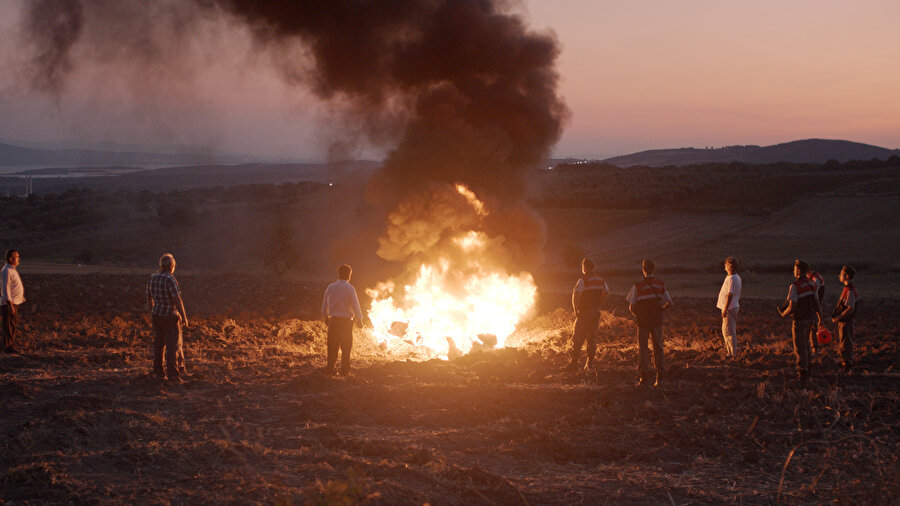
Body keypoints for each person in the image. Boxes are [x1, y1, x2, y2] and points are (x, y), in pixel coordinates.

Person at [626, 259, 672, 387]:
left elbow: (631, 307)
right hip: (657, 320)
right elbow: (670, 303)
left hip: (643, 322)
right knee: (658, 348)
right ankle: (660, 378)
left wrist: (639, 316)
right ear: (654, 269)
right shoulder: (660, 285)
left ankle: (644, 379)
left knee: (643, 349)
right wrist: (661, 310)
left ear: (643, 270)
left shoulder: (637, 286)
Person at [146, 253, 189, 382]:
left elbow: (149, 299)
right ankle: (173, 375)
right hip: (169, 316)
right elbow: (177, 299)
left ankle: (158, 372)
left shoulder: (152, 278)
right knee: (173, 346)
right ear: (171, 266)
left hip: (156, 315)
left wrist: (151, 314)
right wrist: (184, 317)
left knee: (159, 346)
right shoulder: (170, 279)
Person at [779, 259, 823, 383]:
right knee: (807, 344)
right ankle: (808, 367)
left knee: (799, 346)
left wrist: (783, 313)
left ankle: (802, 372)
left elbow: (792, 306)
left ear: (798, 271)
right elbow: (817, 303)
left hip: (799, 320)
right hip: (811, 318)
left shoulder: (794, 286)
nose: (793, 270)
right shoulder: (812, 283)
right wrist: (820, 318)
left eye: (794, 268)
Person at [321, 264, 364, 377]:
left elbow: (324, 304)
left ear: (339, 274)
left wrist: (326, 317)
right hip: (346, 323)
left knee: (332, 346)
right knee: (346, 347)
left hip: (334, 321)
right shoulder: (350, 288)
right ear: (349, 275)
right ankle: (344, 371)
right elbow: (355, 305)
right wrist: (359, 319)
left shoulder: (331, 287)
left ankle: (330, 368)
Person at [569, 258, 609, 370]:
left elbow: (575, 295)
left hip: (584, 312)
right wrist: (600, 301)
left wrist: (575, 309)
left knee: (578, 337)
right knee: (592, 338)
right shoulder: (600, 280)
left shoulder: (583, 279)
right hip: (595, 311)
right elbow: (607, 291)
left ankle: (574, 363)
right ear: (593, 267)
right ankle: (589, 364)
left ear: (584, 267)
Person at [831, 265, 858, 374]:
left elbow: (850, 308)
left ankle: (847, 364)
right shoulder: (847, 288)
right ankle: (844, 361)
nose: (839, 276)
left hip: (846, 321)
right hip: (843, 320)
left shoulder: (850, 290)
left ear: (846, 276)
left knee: (846, 341)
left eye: (841, 274)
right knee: (843, 340)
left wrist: (839, 317)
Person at [716, 257, 742, 358]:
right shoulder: (734, 277)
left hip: (730, 309)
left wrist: (725, 308)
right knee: (727, 331)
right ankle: (730, 352)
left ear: (730, 266)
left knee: (729, 332)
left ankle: (732, 354)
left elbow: (730, 295)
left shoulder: (732, 278)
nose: (725, 266)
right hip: (731, 308)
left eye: (726, 264)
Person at [1, 249, 25, 353]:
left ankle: (10, 345)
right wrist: (10, 304)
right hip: (9, 303)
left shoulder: (12, 270)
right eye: (16, 256)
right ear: (10, 258)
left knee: (12, 324)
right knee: (9, 325)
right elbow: (5, 289)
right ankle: (8, 347)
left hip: (15, 302)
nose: (18, 258)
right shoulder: (6, 271)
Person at [806, 266, 826, 355]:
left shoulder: (815, 280)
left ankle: (814, 349)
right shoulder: (817, 277)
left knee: (812, 328)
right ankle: (814, 348)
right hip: (815, 305)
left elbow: (814, 294)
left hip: (814, 306)